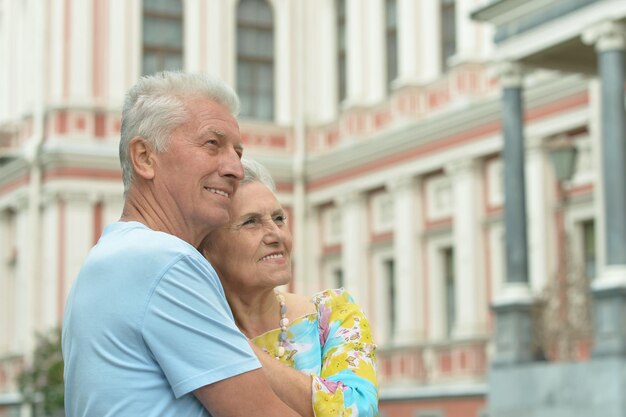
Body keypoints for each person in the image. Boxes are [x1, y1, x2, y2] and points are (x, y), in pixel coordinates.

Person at [61, 72, 300, 417]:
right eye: (212, 145)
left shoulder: (110, 256)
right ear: (144, 157)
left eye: (237, 151)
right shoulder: (164, 261)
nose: (235, 167)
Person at [202, 158, 379, 417]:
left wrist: (237, 348)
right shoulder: (193, 333)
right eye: (251, 221)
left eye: (278, 218)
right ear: (207, 247)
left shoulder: (332, 315)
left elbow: (357, 410)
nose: (276, 235)